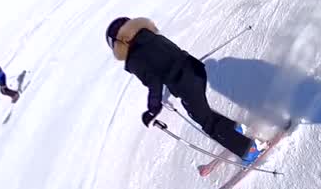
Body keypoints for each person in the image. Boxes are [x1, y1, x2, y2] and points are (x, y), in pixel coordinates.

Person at [106, 17, 261, 164]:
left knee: (205, 121)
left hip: (186, 84)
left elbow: (154, 83)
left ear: (121, 42)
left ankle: (249, 150)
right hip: (196, 71)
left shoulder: (134, 59)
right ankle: (234, 128)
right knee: (201, 111)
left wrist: (153, 111)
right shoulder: (150, 36)